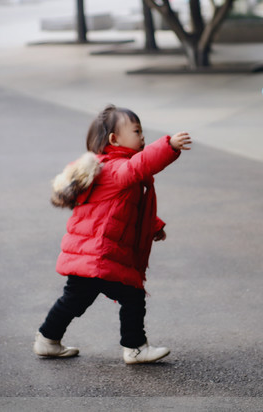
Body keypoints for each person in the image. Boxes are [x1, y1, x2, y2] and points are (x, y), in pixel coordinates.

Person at [33, 105, 192, 364]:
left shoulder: (108, 169)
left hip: (91, 252)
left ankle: (47, 339)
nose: (142, 137)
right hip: (100, 253)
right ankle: (135, 347)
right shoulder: (116, 168)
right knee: (132, 295)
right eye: (137, 131)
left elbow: (127, 208)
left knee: (74, 299)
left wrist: (154, 226)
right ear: (114, 140)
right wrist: (169, 145)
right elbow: (143, 165)